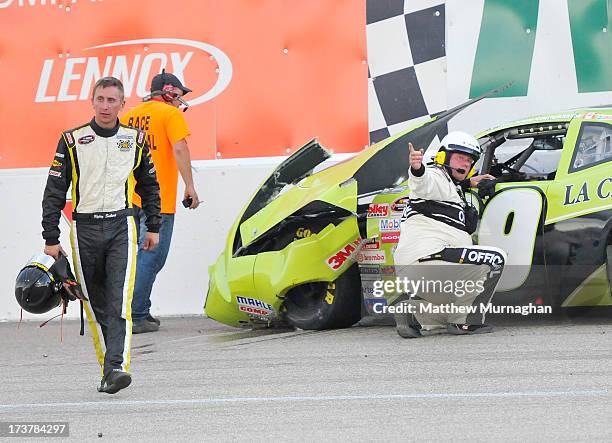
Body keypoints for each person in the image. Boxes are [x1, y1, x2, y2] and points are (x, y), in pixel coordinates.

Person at [42, 76, 161, 393]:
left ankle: (115, 368)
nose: (106, 106)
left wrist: (154, 227)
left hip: (123, 226)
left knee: (119, 302)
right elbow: (54, 191)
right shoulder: (72, 140)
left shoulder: (134, 139)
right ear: (92, 101)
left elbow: (149, 185)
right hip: (84, 229)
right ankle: (108, 369)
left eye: (112, 100)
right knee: (95, 304)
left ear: (123, 104)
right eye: (101, 99)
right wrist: (51, 237)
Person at [392, 131, 507, 338]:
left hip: (422, 268)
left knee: (443, 315)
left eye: (470, 160)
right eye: (460, 157)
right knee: (495, 259)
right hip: (430, 259)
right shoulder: (434, 175)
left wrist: (470, 182)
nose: (465, 163)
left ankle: (414, 315)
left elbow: (449, 186)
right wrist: (416, 168)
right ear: (444, 156)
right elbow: (423, 182)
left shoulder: (450, 185)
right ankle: (465, 322)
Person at [120, 70, 200, 334]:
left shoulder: (130, 115)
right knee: (153, 257)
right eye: (178, 95)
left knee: (139, 257)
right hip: (159, 199)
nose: (180, 101)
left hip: (132, 197)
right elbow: (179, 147)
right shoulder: (170, 114)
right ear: (168, 92)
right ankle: (136, 314)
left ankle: (140, 308)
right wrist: (189, 185)